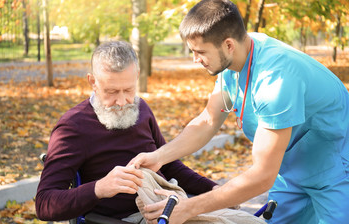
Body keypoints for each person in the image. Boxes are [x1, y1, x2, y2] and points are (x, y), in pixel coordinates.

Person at [129, 0, 349, 224]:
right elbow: (208, 121)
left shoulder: (276, 79)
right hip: (292, 171)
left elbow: (262, 176)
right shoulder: (234, 59)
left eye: (200, 52)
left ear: (228, 45)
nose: (195, 60)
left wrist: (188, 208)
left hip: (336, 171)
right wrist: (158, 157)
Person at [35, 41, 218, 222]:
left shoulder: (141, 108)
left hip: (173, 204)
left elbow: (169, 165)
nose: (122, 102)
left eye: (128, 90)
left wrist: (214, 190)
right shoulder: (72, 127)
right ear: (93, 82)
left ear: (137, 76)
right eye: (112, 91)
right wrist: (99, 188)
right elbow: (44, 204)